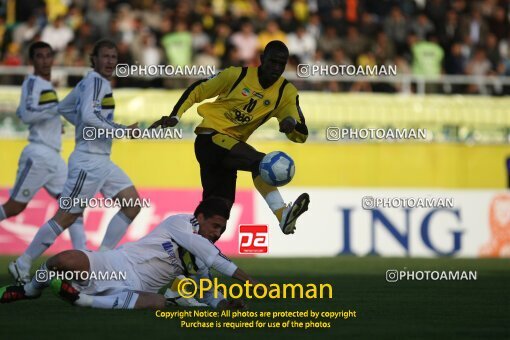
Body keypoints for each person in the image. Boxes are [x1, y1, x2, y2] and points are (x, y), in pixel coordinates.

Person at [8, 39, 140, 284]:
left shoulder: (91, 82)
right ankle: (23, 262)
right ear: (94, 60)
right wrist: (119, 130)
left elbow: (66, 108)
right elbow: (89, 115)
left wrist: (86, 126)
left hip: (102, 160)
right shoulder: (96, 82)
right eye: (105, 56)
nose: (110, 61)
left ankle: (101, 261)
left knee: (132, 204)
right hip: (88, 162)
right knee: (67, 215)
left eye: (113, 57)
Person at [150, 40, 310, 235]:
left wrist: (290, 125)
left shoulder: (286, 92)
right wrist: (176, 115)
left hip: (230, 152)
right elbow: (199, 89)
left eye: (281, 64)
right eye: (272, 62)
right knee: (260, 161)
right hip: (210, 139)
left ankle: (189, 253)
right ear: (261, 59)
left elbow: (301, 135)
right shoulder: (236, 75)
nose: (276, 68)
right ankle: (282, 214)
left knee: (217, 216)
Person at [1, 198, 254, 310]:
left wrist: (224, 305)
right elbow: (211, 255)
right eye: (215, 226)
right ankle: (31, 289)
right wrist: (250, 282)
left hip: (136, 286)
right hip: (117, 262)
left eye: (222, 229)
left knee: (158, 302)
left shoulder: (202, 260)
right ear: (199, 217)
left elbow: (209, 293)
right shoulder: (181, 223)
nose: (217, 233)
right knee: (64, 260)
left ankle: (82, 300)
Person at [1, 41, 87, 284]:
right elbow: (25, 114)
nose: (45, 60)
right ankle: (23, 263)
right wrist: (54, 109)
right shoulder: (32, 83)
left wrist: (56, 121)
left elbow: (42, 112)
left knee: (74, 206)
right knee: (15, 207)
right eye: (40, 56)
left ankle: (84, 261)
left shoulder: (48, 85)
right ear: (33, 61)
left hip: (54, 158)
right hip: (38, 154)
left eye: (49, 56)